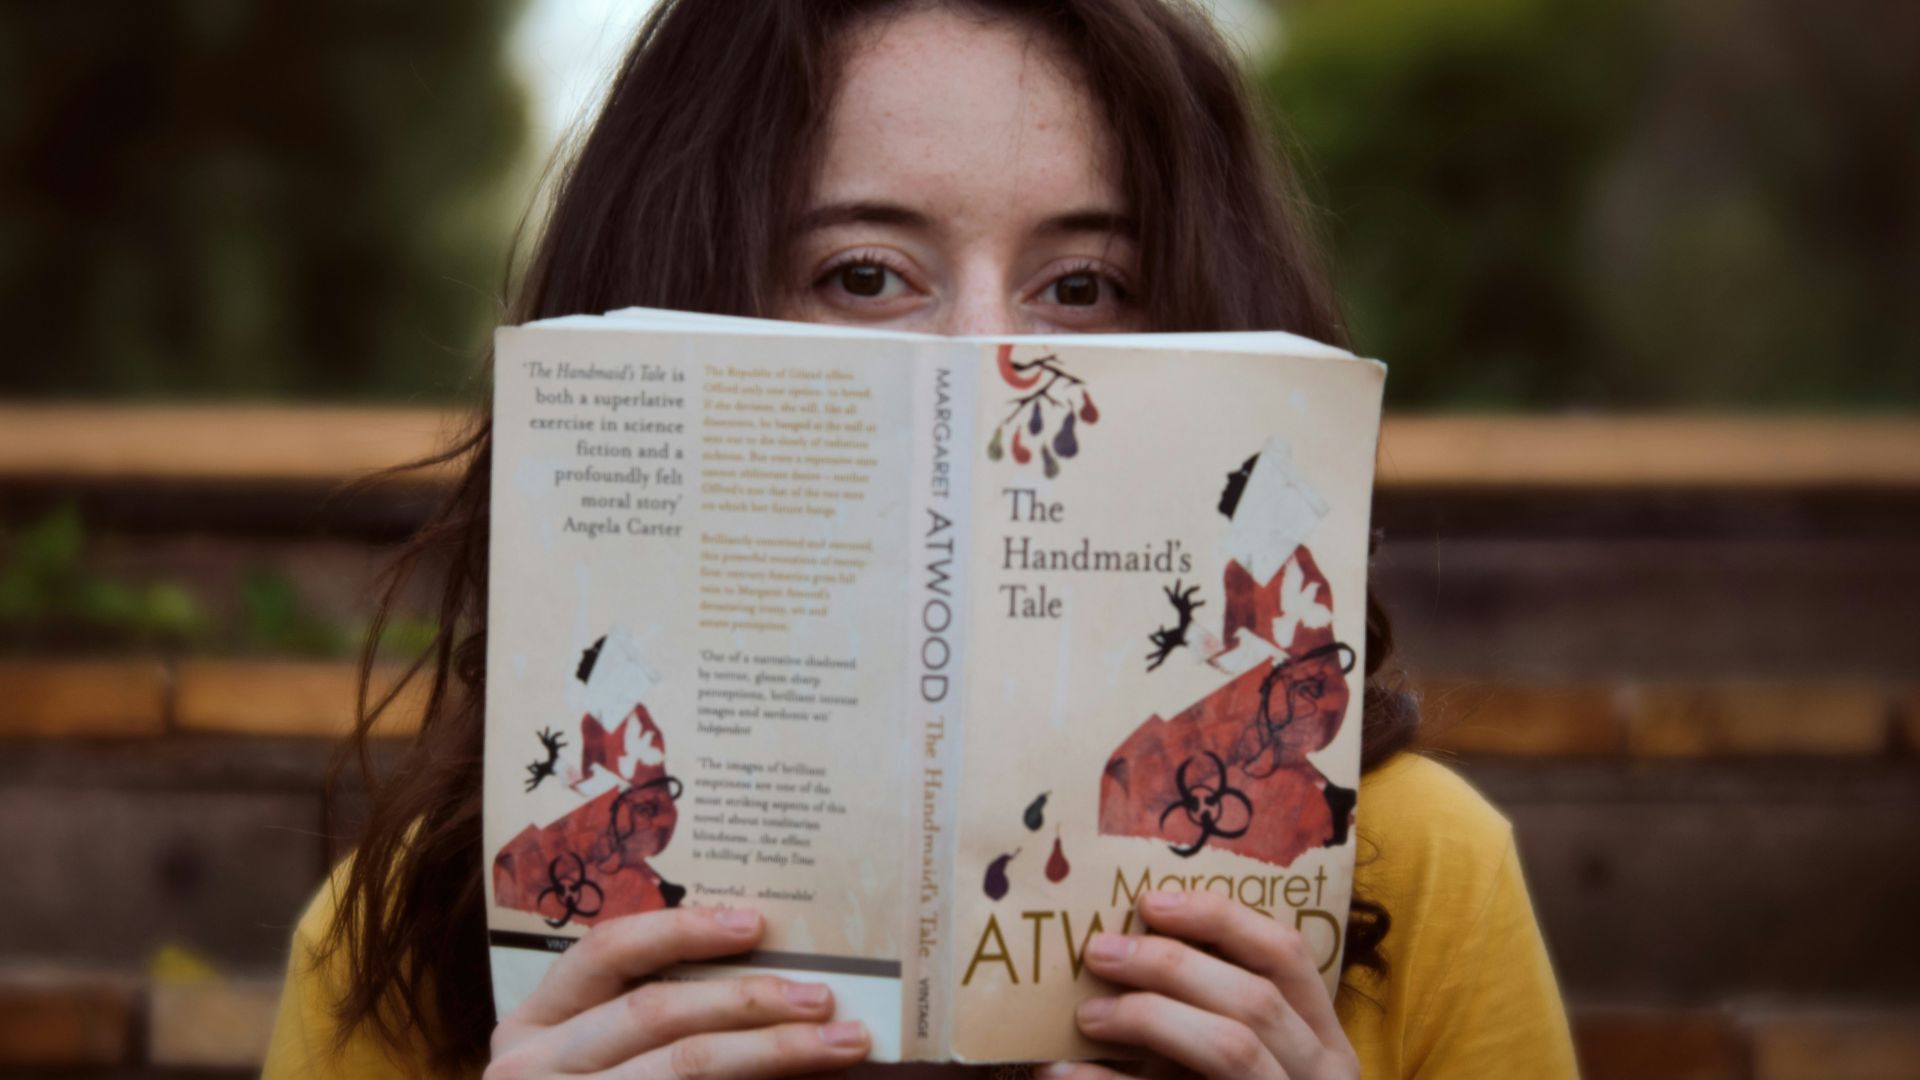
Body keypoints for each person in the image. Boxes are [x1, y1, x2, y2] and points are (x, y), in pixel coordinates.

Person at [265, 1, 1579, 1077]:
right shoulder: (421, 932)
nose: (985, 366)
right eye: (863, 276)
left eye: (1082, 287)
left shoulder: (1422, 873)